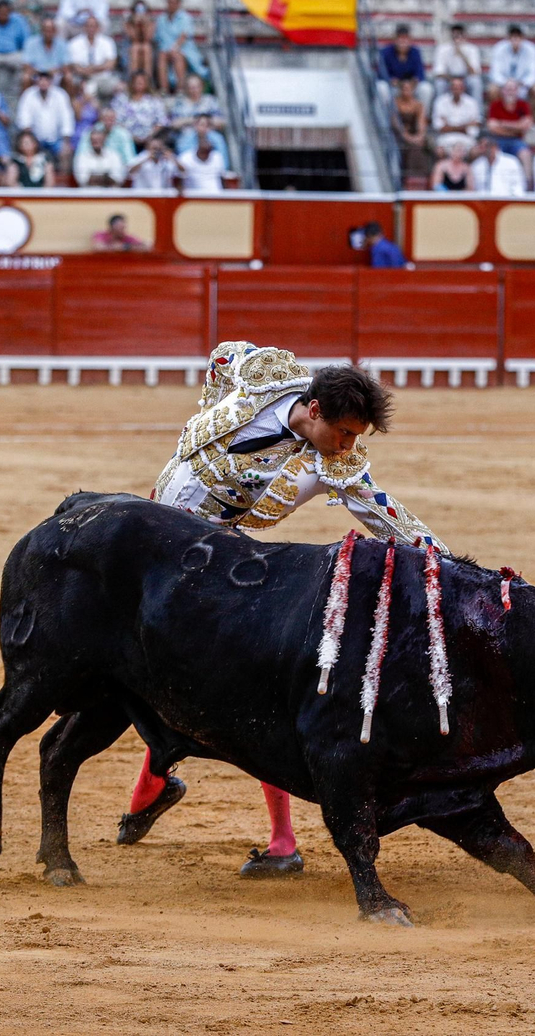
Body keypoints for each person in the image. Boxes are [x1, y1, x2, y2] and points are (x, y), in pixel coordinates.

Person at [123, 344, 447, 878]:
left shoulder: (335, 465)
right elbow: (222, 357)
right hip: (150, 530)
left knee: (240, 690)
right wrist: (208, 409)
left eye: (356, 437)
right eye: (343, 432)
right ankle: (154, 786)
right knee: (146, 669)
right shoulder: (266, 374)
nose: (348, 445)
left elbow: (392, 519)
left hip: (209, 563)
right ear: (314, 409)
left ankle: (280, 840)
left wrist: (448, 565)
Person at [154, 0, 208, 93]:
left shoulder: (185, 17)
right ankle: (164, 89)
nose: (171, 4)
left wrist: (174, 47)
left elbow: (184, 36)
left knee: (176, 55)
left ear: (179, 4)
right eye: (169, 2)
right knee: (162, 56)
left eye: (174, 2)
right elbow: (157, 37)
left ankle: (180, 89)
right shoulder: (161, 18)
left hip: (183, 49)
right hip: (166, 50)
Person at [488, 24, 535, 111]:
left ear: (522, 37)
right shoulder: (499, 48)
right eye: (513, 36)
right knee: (492, 90)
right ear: (508, 37)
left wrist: (522, 83)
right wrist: (507, 83)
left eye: (518, 36)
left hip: (523, 84)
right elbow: (495, 72)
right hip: (504, 84)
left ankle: (530, 117)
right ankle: (499, 116)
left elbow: (534, 73)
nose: (515, 39)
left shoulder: (531, 49)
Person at [65, 15, 120, 100]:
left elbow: (110, 64)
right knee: (71, 80)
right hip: (82, 78)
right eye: (88, 26)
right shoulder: (74, 43)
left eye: (93, 26)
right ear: (84, 27)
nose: (91, 29)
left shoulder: (107, 42)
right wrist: (93, 70)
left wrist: (91, 68)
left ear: (98, 28)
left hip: (103, 78)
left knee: (120, 87)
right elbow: (75, 67)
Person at [379, 24, 433, 109]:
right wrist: (390, 80)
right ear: (395, 39)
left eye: (405, 39)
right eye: (400, 38)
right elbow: (381, 73)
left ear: (410, 40)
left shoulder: (415, 52)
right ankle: (384, 116)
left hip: (411, 86)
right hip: (394, 87)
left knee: (426, 88)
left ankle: (423, 115)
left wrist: (414, 81)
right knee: (381, 87)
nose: (403, 42)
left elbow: (420, 73)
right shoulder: (386, 52)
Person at [431, 22, 483, 101]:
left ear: (464, 35)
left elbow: (475, 72)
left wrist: (462, 55)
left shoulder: (472, 49)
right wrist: (453, 80)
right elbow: (438, 72)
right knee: (440, 83)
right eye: (455, 35)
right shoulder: (442, 49)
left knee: (475, 82)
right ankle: (438, 108)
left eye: (459, 35)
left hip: (466, 79)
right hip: (448, 79)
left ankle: (478, 108)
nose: (457, 38)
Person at [431, 76, 481, 157]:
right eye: (454, 87)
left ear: (463, 88)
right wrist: (465, 126)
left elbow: (474, 130)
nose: (457, 89)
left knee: (475, 151)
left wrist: (449, 126)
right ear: (450, 88)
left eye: (459, 87)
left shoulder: (472, 103)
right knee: (439, 151)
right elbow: (439, 127)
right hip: (446, 139)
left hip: (466, 139)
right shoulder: (441, 101)